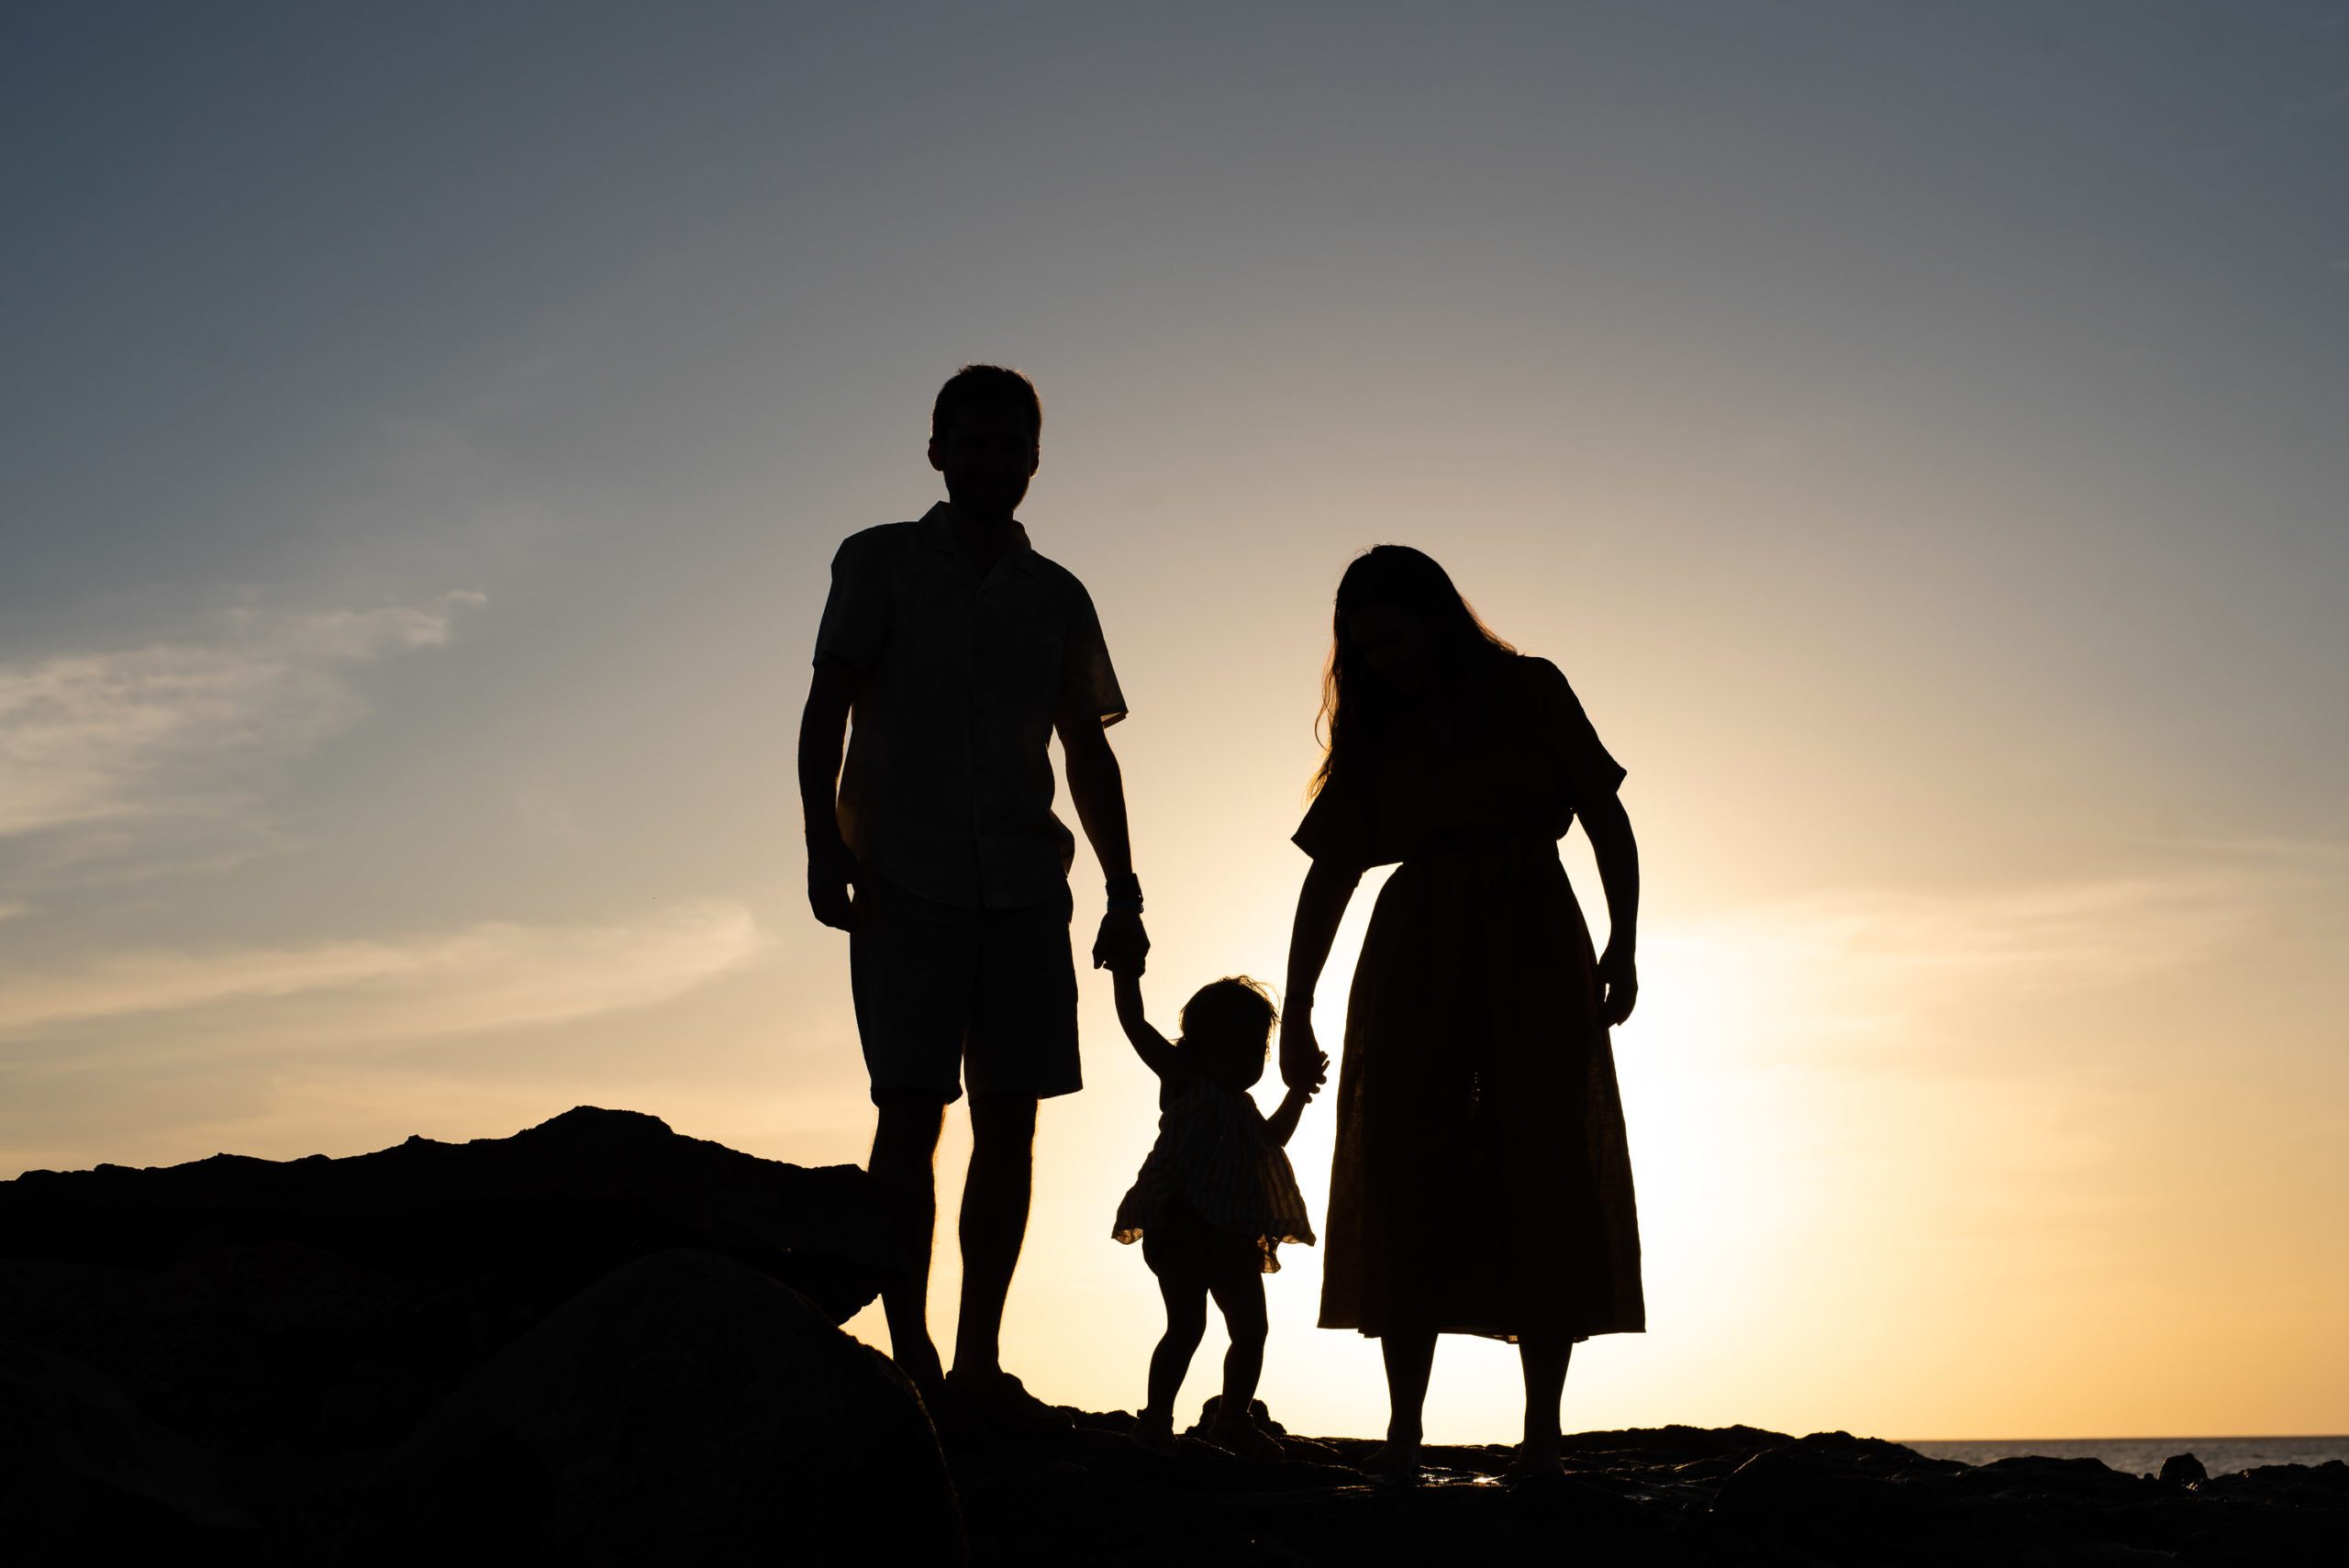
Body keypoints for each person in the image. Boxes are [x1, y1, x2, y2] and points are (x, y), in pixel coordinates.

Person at [798, 364, 1150, 1435]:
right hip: (904, 873)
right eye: (975, 444)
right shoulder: (879, 562)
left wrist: (1125, 886)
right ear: (938, 451)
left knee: (1013, 1119)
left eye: (1014, 448)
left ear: (1034, 460)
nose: (996, 463)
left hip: (1026, 884)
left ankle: (978, 1357)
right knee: (909, 1111)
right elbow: (826, 708)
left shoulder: (1057, 595)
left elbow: (1087, 748)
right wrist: (821, 844)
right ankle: (908, 1353)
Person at [1277, 544, 1644, 1483]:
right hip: (1415, 944)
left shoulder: (1530, 689)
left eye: (1392, 640)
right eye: (1362, 649)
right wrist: (1297, 1003)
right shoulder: (1374, 728)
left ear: (1437, 619)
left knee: (1545, 1161)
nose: (1378, 662)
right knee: (1406, 1165)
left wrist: (1622, 940)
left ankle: (1543, 1436)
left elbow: (1605, 813)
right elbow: (1330, 870)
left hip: (1531, 929)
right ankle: (1404, 1430)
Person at [1108, 966, 1322, 1460]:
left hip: (1234, 1234)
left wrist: (1298, 1093)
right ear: (1199, 1045)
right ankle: (1156, 1419)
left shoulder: (1243, 1106)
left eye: (1256, 1051)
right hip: (1181, 1227)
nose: (1245, 1061)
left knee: (1252, 1329)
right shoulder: (1183, 1078)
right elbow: (1134, 1022)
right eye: (1232, 1048)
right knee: (1187, 1326)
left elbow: (1271, 1140)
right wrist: (1126, 973)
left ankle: (1232, 1419)